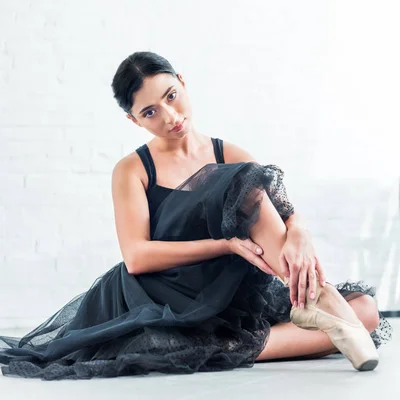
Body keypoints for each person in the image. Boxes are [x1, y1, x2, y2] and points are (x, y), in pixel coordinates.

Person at [0, 51, 392, 380]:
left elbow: (286, 215)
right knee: (240, 180)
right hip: (165, 290)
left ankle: (270, 328)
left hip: (229, 289)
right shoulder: (132, 169)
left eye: (172, 96)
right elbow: (137, 257)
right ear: (134, 121)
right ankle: (315, 311)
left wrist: (301, 232)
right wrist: (224, 244)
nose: (170, 116)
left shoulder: (230, 154)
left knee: (367, 312)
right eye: (151, 112)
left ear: (183, 83)